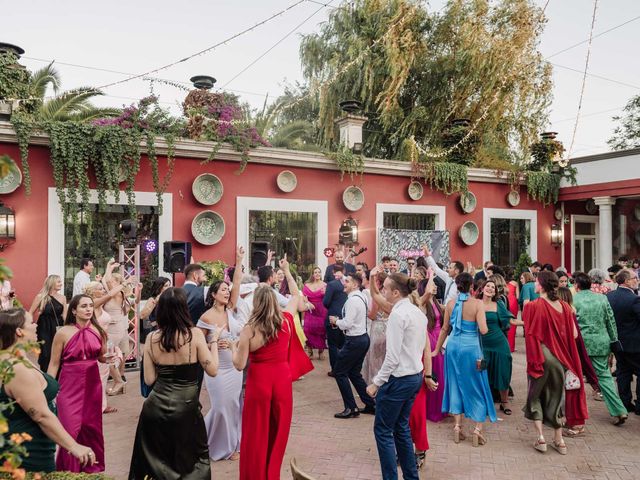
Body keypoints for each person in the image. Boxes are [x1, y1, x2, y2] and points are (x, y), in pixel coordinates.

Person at [231, 255, 313, 480]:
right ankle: (271, 474)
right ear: (275, 302)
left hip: (259, 382)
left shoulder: (250, 329)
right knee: (278, 433)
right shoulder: (286, 320)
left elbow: (239, 365)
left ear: (257, 303)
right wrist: (286, 271)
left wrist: (231, 347)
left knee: (256, 433)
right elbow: (297, 296)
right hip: (281, 381)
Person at [128, 287, 220, 479]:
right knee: (191, 462)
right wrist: (214, 342)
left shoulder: (152, 338)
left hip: (155, 408)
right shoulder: (194, 334)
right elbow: (212, 370)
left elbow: (149, 379)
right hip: (186, 408)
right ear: (183, 309)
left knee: (157, 464)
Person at [0, 308, 96, 473]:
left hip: (34, 449)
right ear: (19, 331)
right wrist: (73, 446)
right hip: (28, 456)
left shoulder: (17, 358)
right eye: (31, 322)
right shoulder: (16, 369)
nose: (36, 325)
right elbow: (41, 415)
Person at [366, 273, 437, 480]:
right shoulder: (417, 312)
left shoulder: (398, 315)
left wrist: (376, 383)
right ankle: (411, 476)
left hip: (399, 379)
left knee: (383, 431)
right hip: (414, 376)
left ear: (396, 292)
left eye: (386, 288)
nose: (383, 292)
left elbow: (392, 357)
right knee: (401, 428)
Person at [522, 271, 587, 455]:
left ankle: (541, 439)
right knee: (556, 398)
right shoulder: (566, 307)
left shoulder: (533, 306)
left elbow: (530, 335)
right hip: (561, 360)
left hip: (541, 356)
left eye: (536, 281)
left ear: (541, 285)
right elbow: (574, 335)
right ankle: (559, 441)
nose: (534, 283)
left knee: (535, 398)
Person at [48, 294, 110, 472]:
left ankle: (91, 469)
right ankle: (68, 471)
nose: (89, 309)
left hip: (92, 385)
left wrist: (110, 357)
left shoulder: (98, 331)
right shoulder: (62, 333)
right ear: (73, 310)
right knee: (70, 428)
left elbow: (101, 358)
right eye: (84, 306)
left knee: (91, 427)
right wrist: (47, 390)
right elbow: (54, 364)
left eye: (91, 305)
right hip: (69, 385)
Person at [433, 273, 496, 446]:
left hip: (453, 347)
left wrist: (436, 350)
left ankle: (457, 427)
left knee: (455, 384)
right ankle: (477, 429)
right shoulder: (477, 304)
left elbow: (445, 329)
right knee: (478, 386)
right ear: (472, 286)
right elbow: (483, 330)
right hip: (471, 348)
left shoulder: (451, 304)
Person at [198, 247, 244, 462]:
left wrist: (239, 259)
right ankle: (208, 443)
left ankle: (232, 446)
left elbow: (237, 284)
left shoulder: (231, 309)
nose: (227, 292)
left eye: (228, 289)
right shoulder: (206, 318)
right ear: (213, 294)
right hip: (216, 369)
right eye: (223, 290)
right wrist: (214, 343)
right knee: (219, 407)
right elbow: (198, 344)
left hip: (234, 367)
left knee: (234, 405)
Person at [572, 273, 627, 424]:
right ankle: (619, 410)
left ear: (576, 286)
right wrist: (614, 339)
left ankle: (574, 413)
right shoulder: (602, 298)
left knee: (573, 377)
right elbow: (610, 320)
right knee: (604, 377)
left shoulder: (573, 300)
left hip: (580, 343)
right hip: (601, 342)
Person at [329, 273, 375, 418]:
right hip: (362, 338)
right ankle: (371, 404)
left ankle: (351, 407)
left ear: (355, 285)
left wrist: (336, 321)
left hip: (354, 340)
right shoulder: (360, 297)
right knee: (354, 373)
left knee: (339, 372)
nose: (344, 283)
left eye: (347, 282)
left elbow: (347, 323)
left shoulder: (353, 301)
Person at [83, 281, 124, 414]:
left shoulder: (100, 305)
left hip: (105, 342)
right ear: (92, 291)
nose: (103, 290)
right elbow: (111, 293)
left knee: (104, 374)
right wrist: (125, 282)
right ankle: (95, 406)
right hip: (94, 343)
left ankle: (102, 404)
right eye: (100, 288)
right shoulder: (92, 304)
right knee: (97, 376)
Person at [476, 279, 514, 414]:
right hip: (481, 344)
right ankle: (484, 400)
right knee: (482, 371)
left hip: (499, 343)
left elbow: (509, 321)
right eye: (488, 286)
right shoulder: (475, 303)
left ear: (495, 292)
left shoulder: (498, 304)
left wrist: (528, 323)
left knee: (503, 370)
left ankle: (504, 401)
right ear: (482, 288)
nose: (490, 288)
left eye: (493, 287)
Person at [606, 269, 640, 415]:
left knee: (623, 372)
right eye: (635, 278)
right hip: (634, 343)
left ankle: (625, 403)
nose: (637, 281)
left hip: (616, 342)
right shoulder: (634, 299)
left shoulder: (609, 296)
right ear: (626, 281)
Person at [138, 276, 172, 397]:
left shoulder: (170, 299)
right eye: (166, 286)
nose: (169, 288)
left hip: (168, 332)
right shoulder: (152, 299)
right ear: (160, 287)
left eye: (170, 285)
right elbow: (142, 315)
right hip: (155, 332)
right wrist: (156, 301)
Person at [28, 275, 67, 372]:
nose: (61, 283)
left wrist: (68, 329)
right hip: (44, 327)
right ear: (51, 283)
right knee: (46, 353)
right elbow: (30, 312)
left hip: (58, 327)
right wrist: (28, 326)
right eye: (58, 282)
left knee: (59, 352)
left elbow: (65, 315)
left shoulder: (63, 298)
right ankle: (46, 375)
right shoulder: (41, 297)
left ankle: (57, 376)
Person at [322, 264, 348, 376]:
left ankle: (335, 370)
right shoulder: (348, 283)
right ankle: (344, 368)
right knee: (343, 345)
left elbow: (326, 302)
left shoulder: (332, 285)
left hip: (333, 316)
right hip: (345, 315)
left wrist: (331, 308)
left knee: (332, 345)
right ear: (344, 271)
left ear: (333, 272)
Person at [302, 266, 327, 360]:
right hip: (310, 310)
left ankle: (321, 351)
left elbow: (328, 297)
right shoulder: (307, 285)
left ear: (321, 274)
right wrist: (307, 302)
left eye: (318, 272)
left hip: (321, 310)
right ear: (312, 274)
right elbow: (303, 297)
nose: (317, 274)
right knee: (308, 330)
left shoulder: (325, 285)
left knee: (321, 330)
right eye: (315, 272)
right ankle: (310, 351)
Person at [504, 268, 520, 352]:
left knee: (505, 323)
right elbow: (518, 296)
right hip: (513, 302)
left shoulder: (503, 283)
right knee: (513, 323)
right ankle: (511, 347)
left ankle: (505, 345)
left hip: (505, 301)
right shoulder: (515, 283)